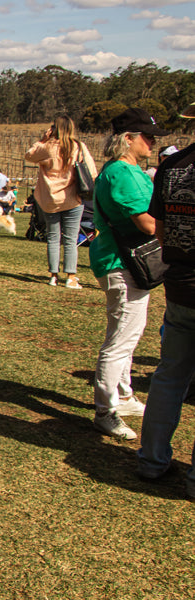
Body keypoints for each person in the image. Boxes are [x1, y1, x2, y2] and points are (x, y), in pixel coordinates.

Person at [89, 107, 171, 440]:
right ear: (128, 139)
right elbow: (148, 222)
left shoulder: (126, 170)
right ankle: (105, 409)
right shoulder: (122, 173)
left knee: (129, 332)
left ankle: (122, 395)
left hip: (126, 262)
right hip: (122, 263)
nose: (152, 143)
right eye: (147, 137)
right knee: (121, 339)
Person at [136, 101, 195, 498]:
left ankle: (152, 460)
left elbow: (159, 228)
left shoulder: (173, 166)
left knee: (170, 375)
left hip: (180, 286)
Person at [25, 116, 96, 289]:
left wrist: (42, 140)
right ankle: (71, 276)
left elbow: (29, 155)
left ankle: (53, 275)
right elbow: (92, 172)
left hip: (50, 200)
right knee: (71, 239)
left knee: (53, 238)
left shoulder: (47, 147)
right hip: (72, 199)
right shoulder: (77, 147)